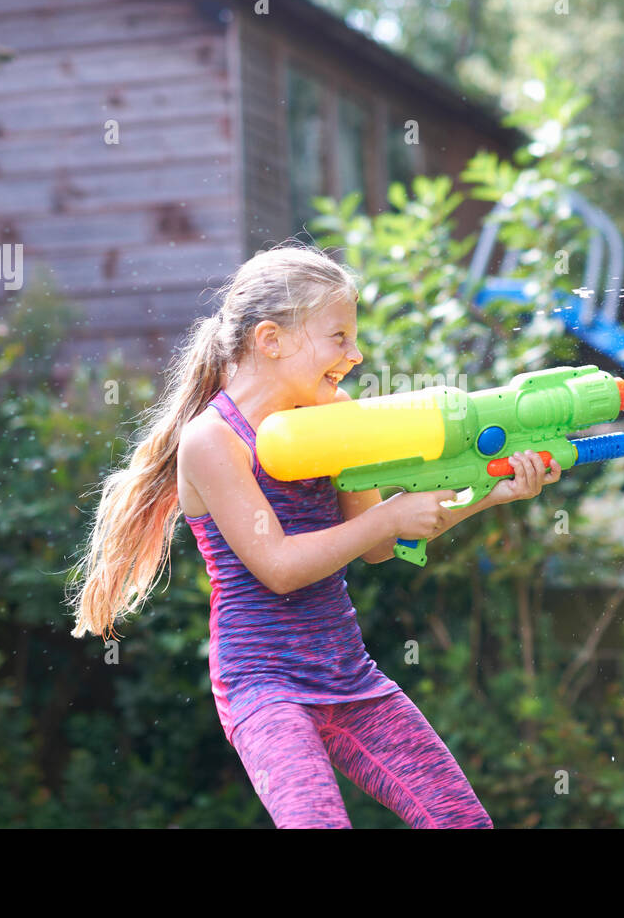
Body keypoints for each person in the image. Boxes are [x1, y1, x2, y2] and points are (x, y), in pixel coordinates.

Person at [67, 243, 560, 828]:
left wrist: (493, 492)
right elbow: (277, 565)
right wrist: (388, 519)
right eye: (339, 337)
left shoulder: (335, 415)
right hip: (263, 685)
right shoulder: (214, 440)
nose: (356, 354)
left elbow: (377, 542)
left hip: (349, 675)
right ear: (271, 340)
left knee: (463, 823)